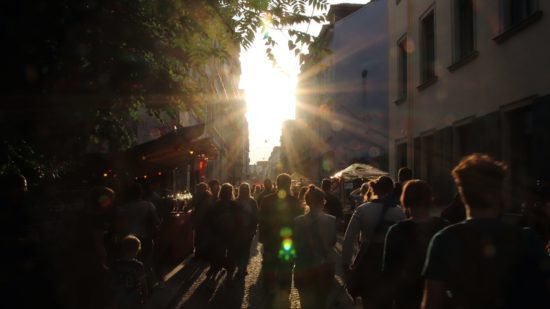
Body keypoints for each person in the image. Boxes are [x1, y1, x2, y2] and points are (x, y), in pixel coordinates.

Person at [422, 154, 549, 309]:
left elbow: (432, 303)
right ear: (499, 193)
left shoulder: (444, 240)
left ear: (462, 195)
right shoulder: (527, 239)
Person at [382, 180, 449, 309]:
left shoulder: (396, 231)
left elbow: (388, 271)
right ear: (429, 200)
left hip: (406, 296)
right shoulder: (444, 227)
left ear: (405, 200)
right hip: (439, 296)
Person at [342, 176, 405, 308]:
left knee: (368, 300)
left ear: (375, 189)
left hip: (367, 261)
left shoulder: (362, 210)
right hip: (389, 262)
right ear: (391, 190)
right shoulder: (399, 212)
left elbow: (349, 238)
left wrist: (346, 265)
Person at [259, 173, 302, 308]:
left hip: (271, 241)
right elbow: (299, 224)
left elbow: (262, 221)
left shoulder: (266, 200)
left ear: (276, 184)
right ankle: (284, 293)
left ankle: (270, 290)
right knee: (286, 266)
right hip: (287, 242)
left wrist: (263, 239)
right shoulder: (295, 202)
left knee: (270, 266)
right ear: (289, 185)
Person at [293, 185, 337, 309]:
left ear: (306, 202)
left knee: (306, 304)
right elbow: (332, 242)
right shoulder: (331, 220)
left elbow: (295, 244)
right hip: (324, 268)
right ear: (322, 202)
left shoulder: (297, 221)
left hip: (304, 267)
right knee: (321, 303)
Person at [115, 183, 160, 290]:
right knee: (146, 264)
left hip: (127, 240)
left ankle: (130, 288)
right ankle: (148, 289)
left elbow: (118, 225)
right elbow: (156, 222)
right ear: (141, 193)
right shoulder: (149, 206)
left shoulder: (122, 208)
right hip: (145, 239)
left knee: (128, 264)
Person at [110, 235, 148, 309]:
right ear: (136, 250)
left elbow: (111, 280)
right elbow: (143, 282)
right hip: (133, 296)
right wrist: (145, 296)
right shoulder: (138, 266)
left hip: (118, 296)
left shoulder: (117, 264)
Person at [234, 182, 259, 277]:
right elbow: (256, 216)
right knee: (243, 249)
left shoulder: (251, 201)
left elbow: (256, 216)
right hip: (242, 230)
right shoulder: (238, 201)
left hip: (245, 230)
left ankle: (242, 267)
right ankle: (242, 267)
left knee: (242, 249)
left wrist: (253, 228)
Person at [188, 182, 213, 260]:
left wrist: (185, 209)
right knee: (205, 237)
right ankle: (205, 254)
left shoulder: (199, 195)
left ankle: (199, 255)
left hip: (200, 220)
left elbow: (191, 204)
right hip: (208, 220)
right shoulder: (209, 195)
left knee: (199, 237)